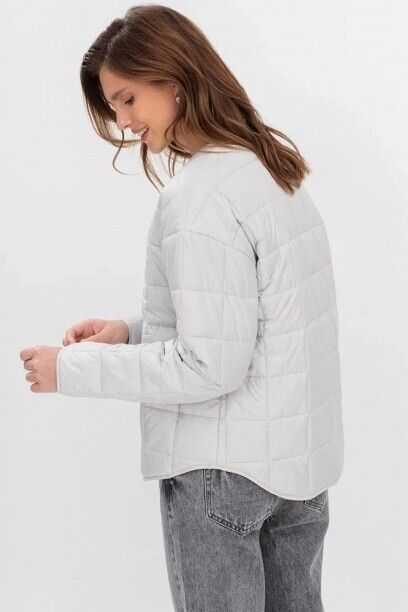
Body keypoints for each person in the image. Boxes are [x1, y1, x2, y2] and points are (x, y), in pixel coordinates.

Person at [20, 5, 344, 611]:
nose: (122, 122)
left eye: (127, 99)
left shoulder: (198, 198)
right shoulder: (270, 169)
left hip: (224, 472)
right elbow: (256, 322)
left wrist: (71, 369)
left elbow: (210, 365)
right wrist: (131, 332)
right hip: (297, 473)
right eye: (113, 107)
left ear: (173, 79)